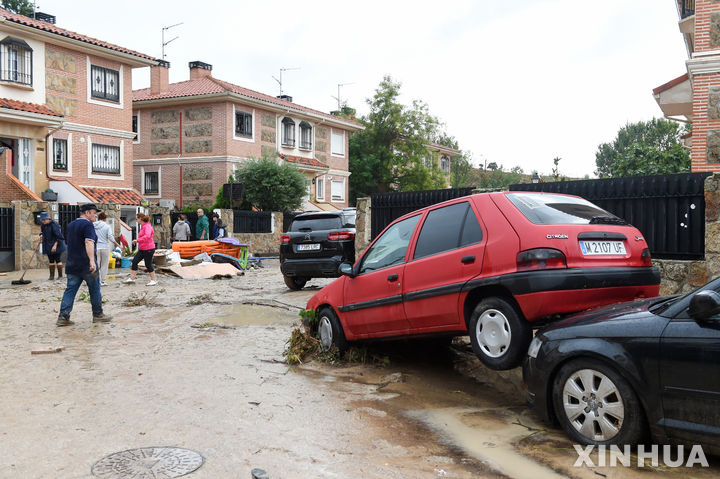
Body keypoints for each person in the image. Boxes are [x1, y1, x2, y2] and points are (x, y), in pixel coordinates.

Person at [56, 203, 112, 326]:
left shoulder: (71, 225)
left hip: (72, 264)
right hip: (86, 265)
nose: (95, 215)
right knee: (95, 289)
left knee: (70, 290)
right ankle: (98, 315)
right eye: (93, 212)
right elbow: (89, 242)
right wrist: (92, 261)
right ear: (87, 213)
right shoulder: (88, 225)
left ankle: (63, 317)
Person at [124, 213, 158, 286]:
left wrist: (137, 240)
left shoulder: (147, 226)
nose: (136, 220)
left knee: (148, 264)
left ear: (140, 219)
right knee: (135, 261)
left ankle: (153, 280)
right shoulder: (143, 226)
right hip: (142, 249)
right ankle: (132, 278)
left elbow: (148, 236)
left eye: (137, 219)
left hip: (149, 248)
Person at [94, 212, 120, 286]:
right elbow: (110, 237)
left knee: (97, 264)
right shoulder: (107, 226)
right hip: (105, 247)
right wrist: (118, 245)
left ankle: (97, 280)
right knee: (104, 264)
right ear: (105, 219)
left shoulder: (93, 225)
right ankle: (103, 281)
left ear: (98, 218)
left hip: (96, 247)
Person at [39, 212, 66, 280]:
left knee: (57, 259)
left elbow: (59, 236)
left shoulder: (54, 225)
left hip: (57, 244)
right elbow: (43, 232)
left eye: (44, 220)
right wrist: (41, 235)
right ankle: (51, 276)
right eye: (42, 220)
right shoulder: (43, 225)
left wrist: (55, 245)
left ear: (48, 219)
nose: (43, 221)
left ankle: (60, 276)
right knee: (51, 260)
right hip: (48, 245)